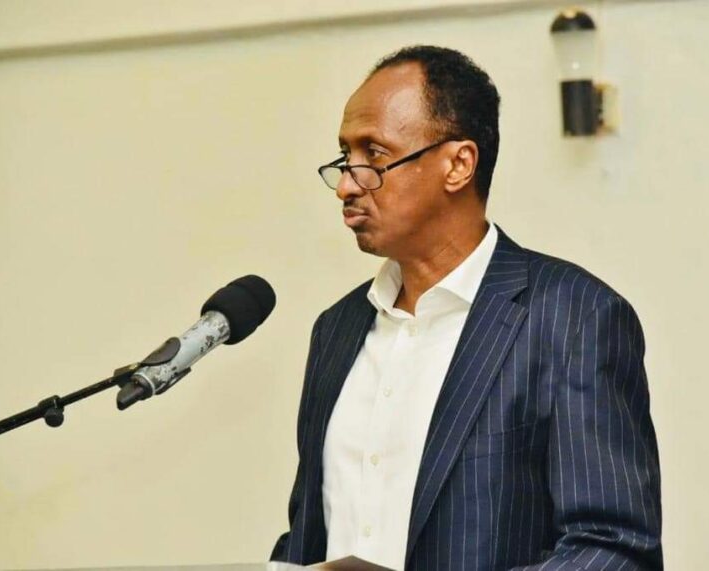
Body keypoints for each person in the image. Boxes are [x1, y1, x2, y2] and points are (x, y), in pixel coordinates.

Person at [271, 45, 662, 570]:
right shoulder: (336, 330)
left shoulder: (573, 319)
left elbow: (613, 550)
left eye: (375, 155)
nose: (346, 185)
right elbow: (307, 536)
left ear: (458, 165)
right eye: (345, 157)